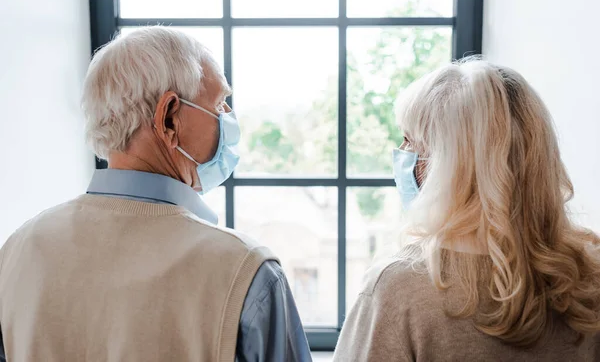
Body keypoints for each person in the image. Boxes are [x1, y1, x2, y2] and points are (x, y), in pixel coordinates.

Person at [0, 27, 311, 361]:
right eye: (220, 103)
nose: (228, 119)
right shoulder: (247, 273)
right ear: (170, 118)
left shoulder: (17, 251)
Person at [333, 58, 600, 361]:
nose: (403, 153)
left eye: (411, 140)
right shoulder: (588, 275)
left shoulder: (399, 289)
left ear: (448, 167)